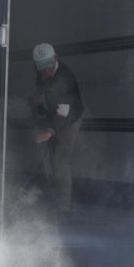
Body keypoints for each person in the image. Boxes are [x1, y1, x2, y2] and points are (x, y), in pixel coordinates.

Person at [29, 42, 84, 212]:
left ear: (56, 58)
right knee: (52, 159)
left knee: (60, 161)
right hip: (56, 115)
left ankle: (63, 208)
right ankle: (55, 196)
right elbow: (41, 92)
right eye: (41, 68)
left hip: (69, 120)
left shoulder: (64, 80)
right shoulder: (43, 73)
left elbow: (64, 115)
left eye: (48, 67)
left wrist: (49, 131)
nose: (45, 71)